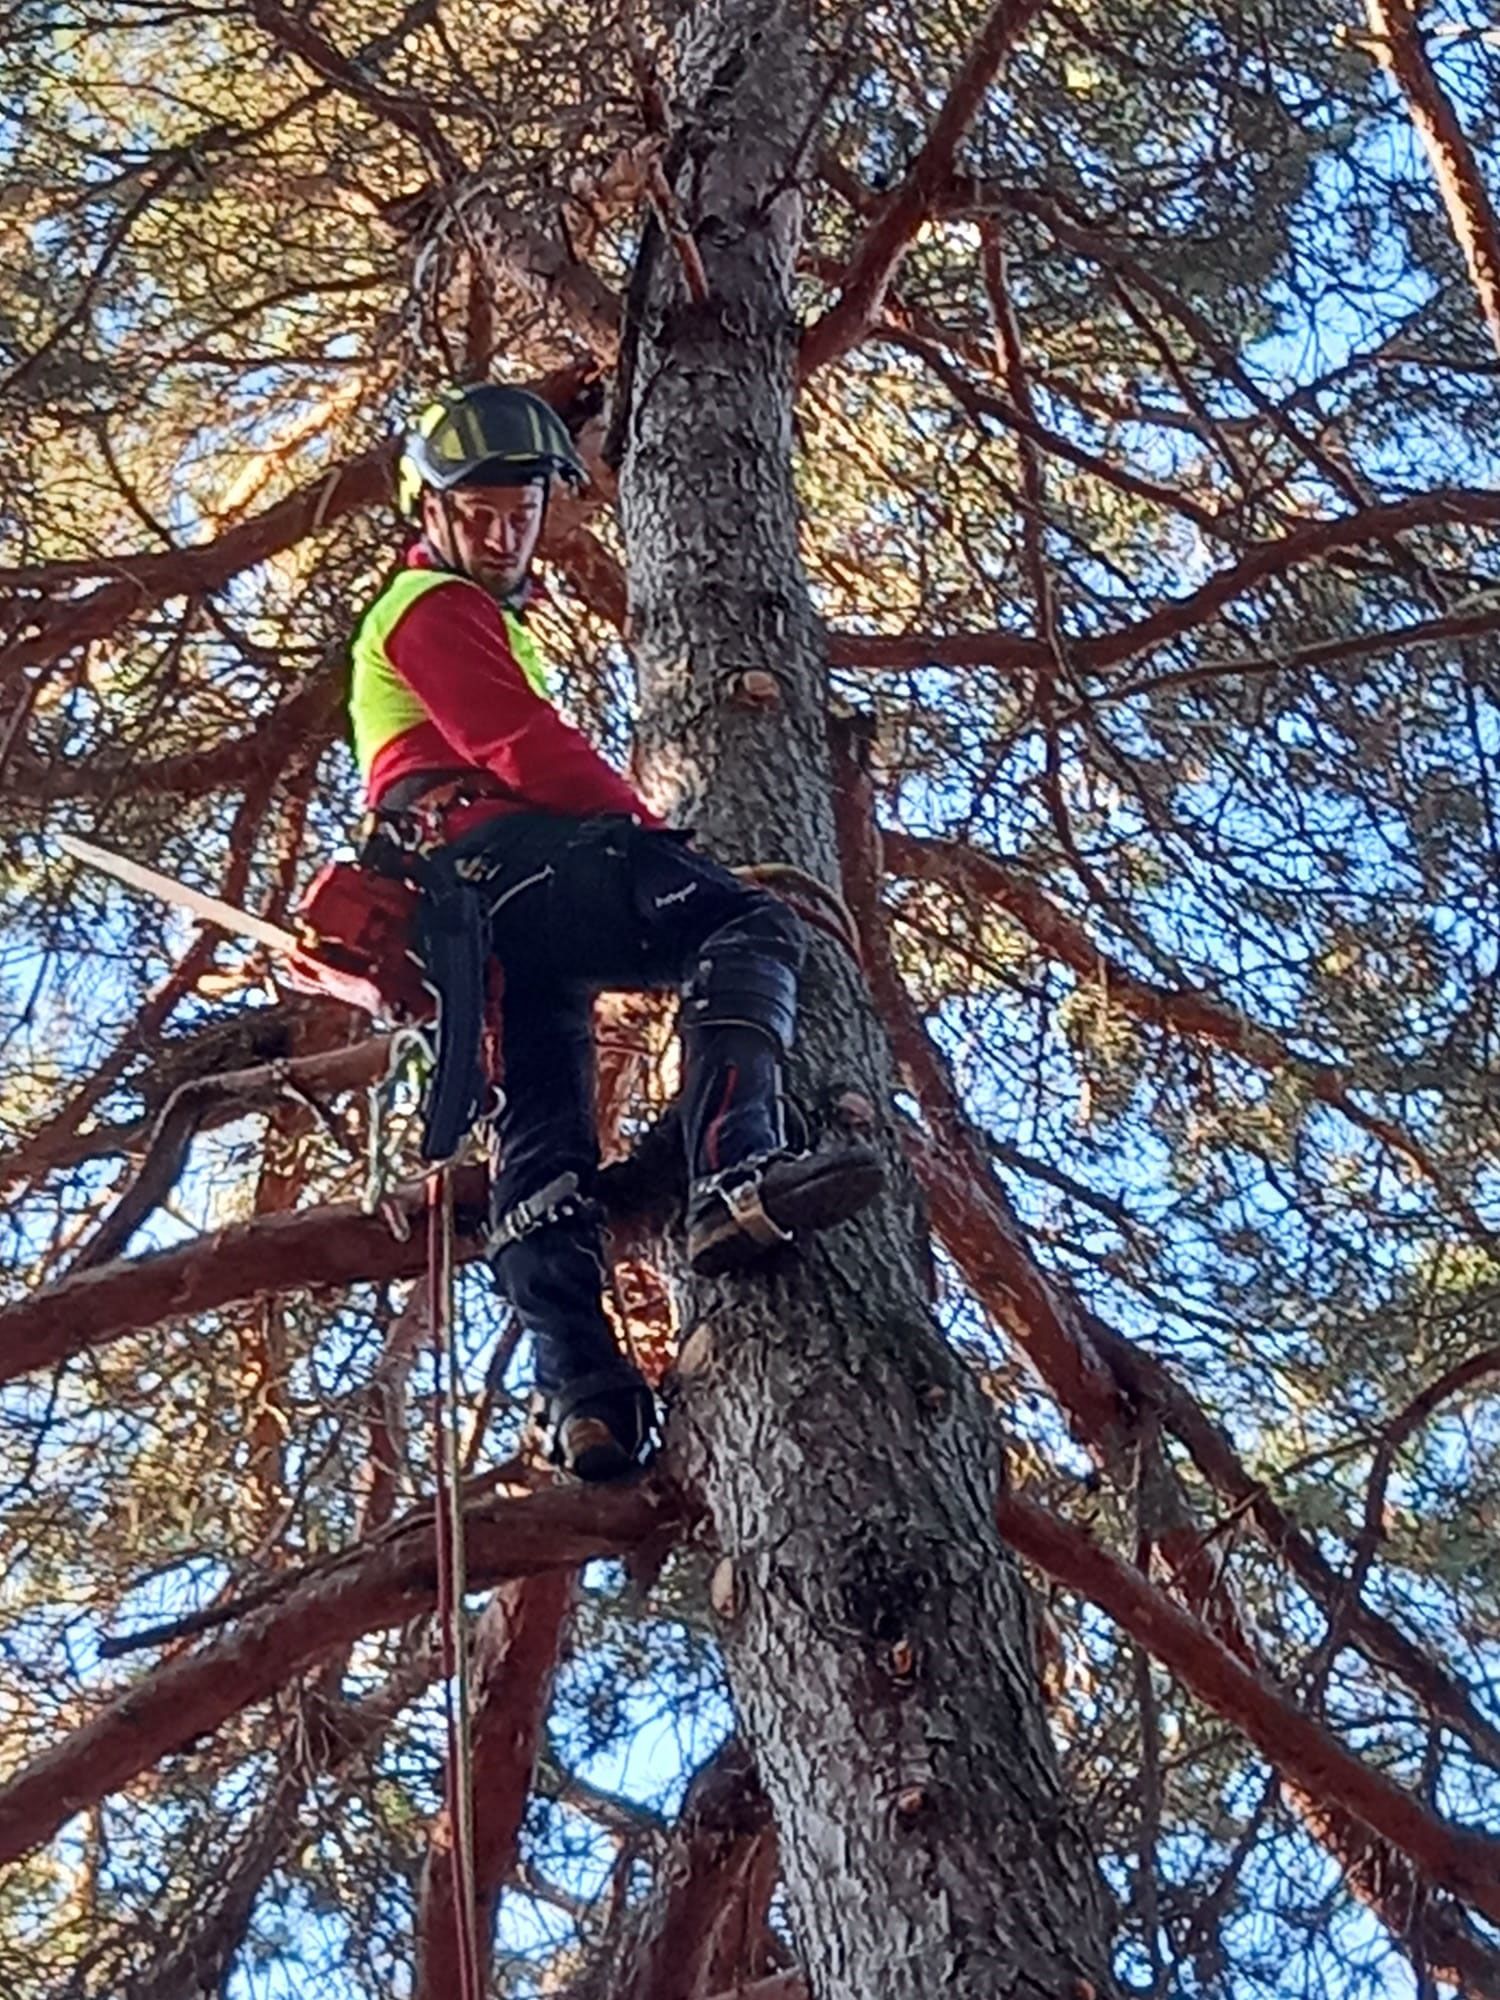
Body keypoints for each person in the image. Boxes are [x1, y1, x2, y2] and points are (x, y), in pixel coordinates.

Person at [348, 383, 881, 1481]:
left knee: (544, 1143)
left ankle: (588, 1399)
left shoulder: (461, 612)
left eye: (521, 510)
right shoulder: (428, 607)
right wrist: (650, 835)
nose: (501, 531)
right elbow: (520, 743)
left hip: (485, 921)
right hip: (508, 865)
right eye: (478, 510)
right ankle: (736, 1168)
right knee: (748, 923)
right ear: (432, 511)